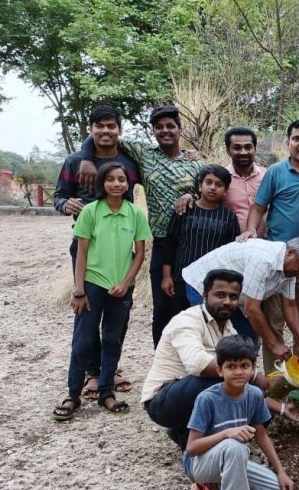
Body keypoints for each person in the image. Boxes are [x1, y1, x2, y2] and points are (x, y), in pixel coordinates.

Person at [78, 105, 204, 347]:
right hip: (161, 241)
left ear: (180, 129)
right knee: (162, 308)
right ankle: (163, 365)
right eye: (159, 127)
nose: (165, 131)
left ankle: (192, 363)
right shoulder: (145, 153)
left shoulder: (195, 162)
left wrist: (191, 196)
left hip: (191, 242)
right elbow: (105, 133)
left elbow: (210, 194)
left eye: (170, 126)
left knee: (190, 305)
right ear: (153, 131)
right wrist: (85, 158)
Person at [141, 269, 299, 449]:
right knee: (219, 380)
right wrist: (253, 375)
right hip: (162, 401)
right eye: (220, 295)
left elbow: (237, 380)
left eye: (233, 297)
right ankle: (194, 443)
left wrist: (280, 408)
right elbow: (197, 363)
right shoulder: (187, 320)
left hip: (191, 394)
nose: (227, 301)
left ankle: (187, 432)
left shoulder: (227, 328)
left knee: (255, 408)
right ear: (204, 295)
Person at [54, 104, 140, 399]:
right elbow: (59, 197)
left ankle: (107, 371)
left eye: (111, 126)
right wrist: (67, 205)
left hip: (122, 247)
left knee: (117, 319)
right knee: (88, 313)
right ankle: (91, 373)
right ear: (91, 129)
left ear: (120, 130)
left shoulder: (129, 161)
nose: (106, 131)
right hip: (87, 245)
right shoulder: (75, 161)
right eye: (99, 126)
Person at [53, 162, 151, 420]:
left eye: (122, 179)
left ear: (128, 184)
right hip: (92, 285)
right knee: (83, 339)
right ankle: (72, 394)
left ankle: (106, 392)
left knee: (112, 338)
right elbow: (81, 252)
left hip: (122, 288)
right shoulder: (91, 212)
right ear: (102, 183)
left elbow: (139, 253)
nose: (117, 183)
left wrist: (126, 282)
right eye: (111, 179)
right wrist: (78, 289)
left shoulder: (135, 214)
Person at [241, 120, 299, 373]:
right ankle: (275, 381)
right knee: (275, 320)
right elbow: (259, 207)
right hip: (278, 263)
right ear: (288, 142)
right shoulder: (276, 172)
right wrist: (251, 230)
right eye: (296, 139)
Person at [184, 335, 292, 490]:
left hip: (229, 461)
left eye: (244, 365)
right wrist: (226, 433)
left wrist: (281, 471)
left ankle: (213, 489)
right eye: (231, 366)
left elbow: (261, 435)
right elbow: (191, 448)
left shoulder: (254, 395)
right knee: (235, 445)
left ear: (253, 369)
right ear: (219, 370)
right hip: (199, 464)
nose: (239, 371)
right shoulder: (207, 399)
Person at [182, 238, 299, 372]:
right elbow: (252, 309)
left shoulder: (289, 270)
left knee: (245, 342)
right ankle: (207, 385)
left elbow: (289, 305)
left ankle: (236, 386)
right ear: (290, 252)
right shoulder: (264, 260)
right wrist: (275, 345)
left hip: (234, 297)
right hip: (202, 285)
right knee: (213, 340)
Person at [162, 164, 240, 316]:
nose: (213, 187)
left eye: (219, 185)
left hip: (213, 283)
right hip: (181, 279)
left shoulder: (229, 217)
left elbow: (231, 252)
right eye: (208, 182)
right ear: (199, 186)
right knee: (182, 321)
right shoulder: (184, 210)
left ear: (225, 192)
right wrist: (166, 276)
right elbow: (170, 243)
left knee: (208, 323)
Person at [221, 126, 267, 236]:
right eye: (237, 148)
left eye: (248, 147)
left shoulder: (267, 176)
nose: (243, 152)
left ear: (255, 148)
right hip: (232, 244)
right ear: (228, 151)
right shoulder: (221, 178)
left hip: (266, 244)